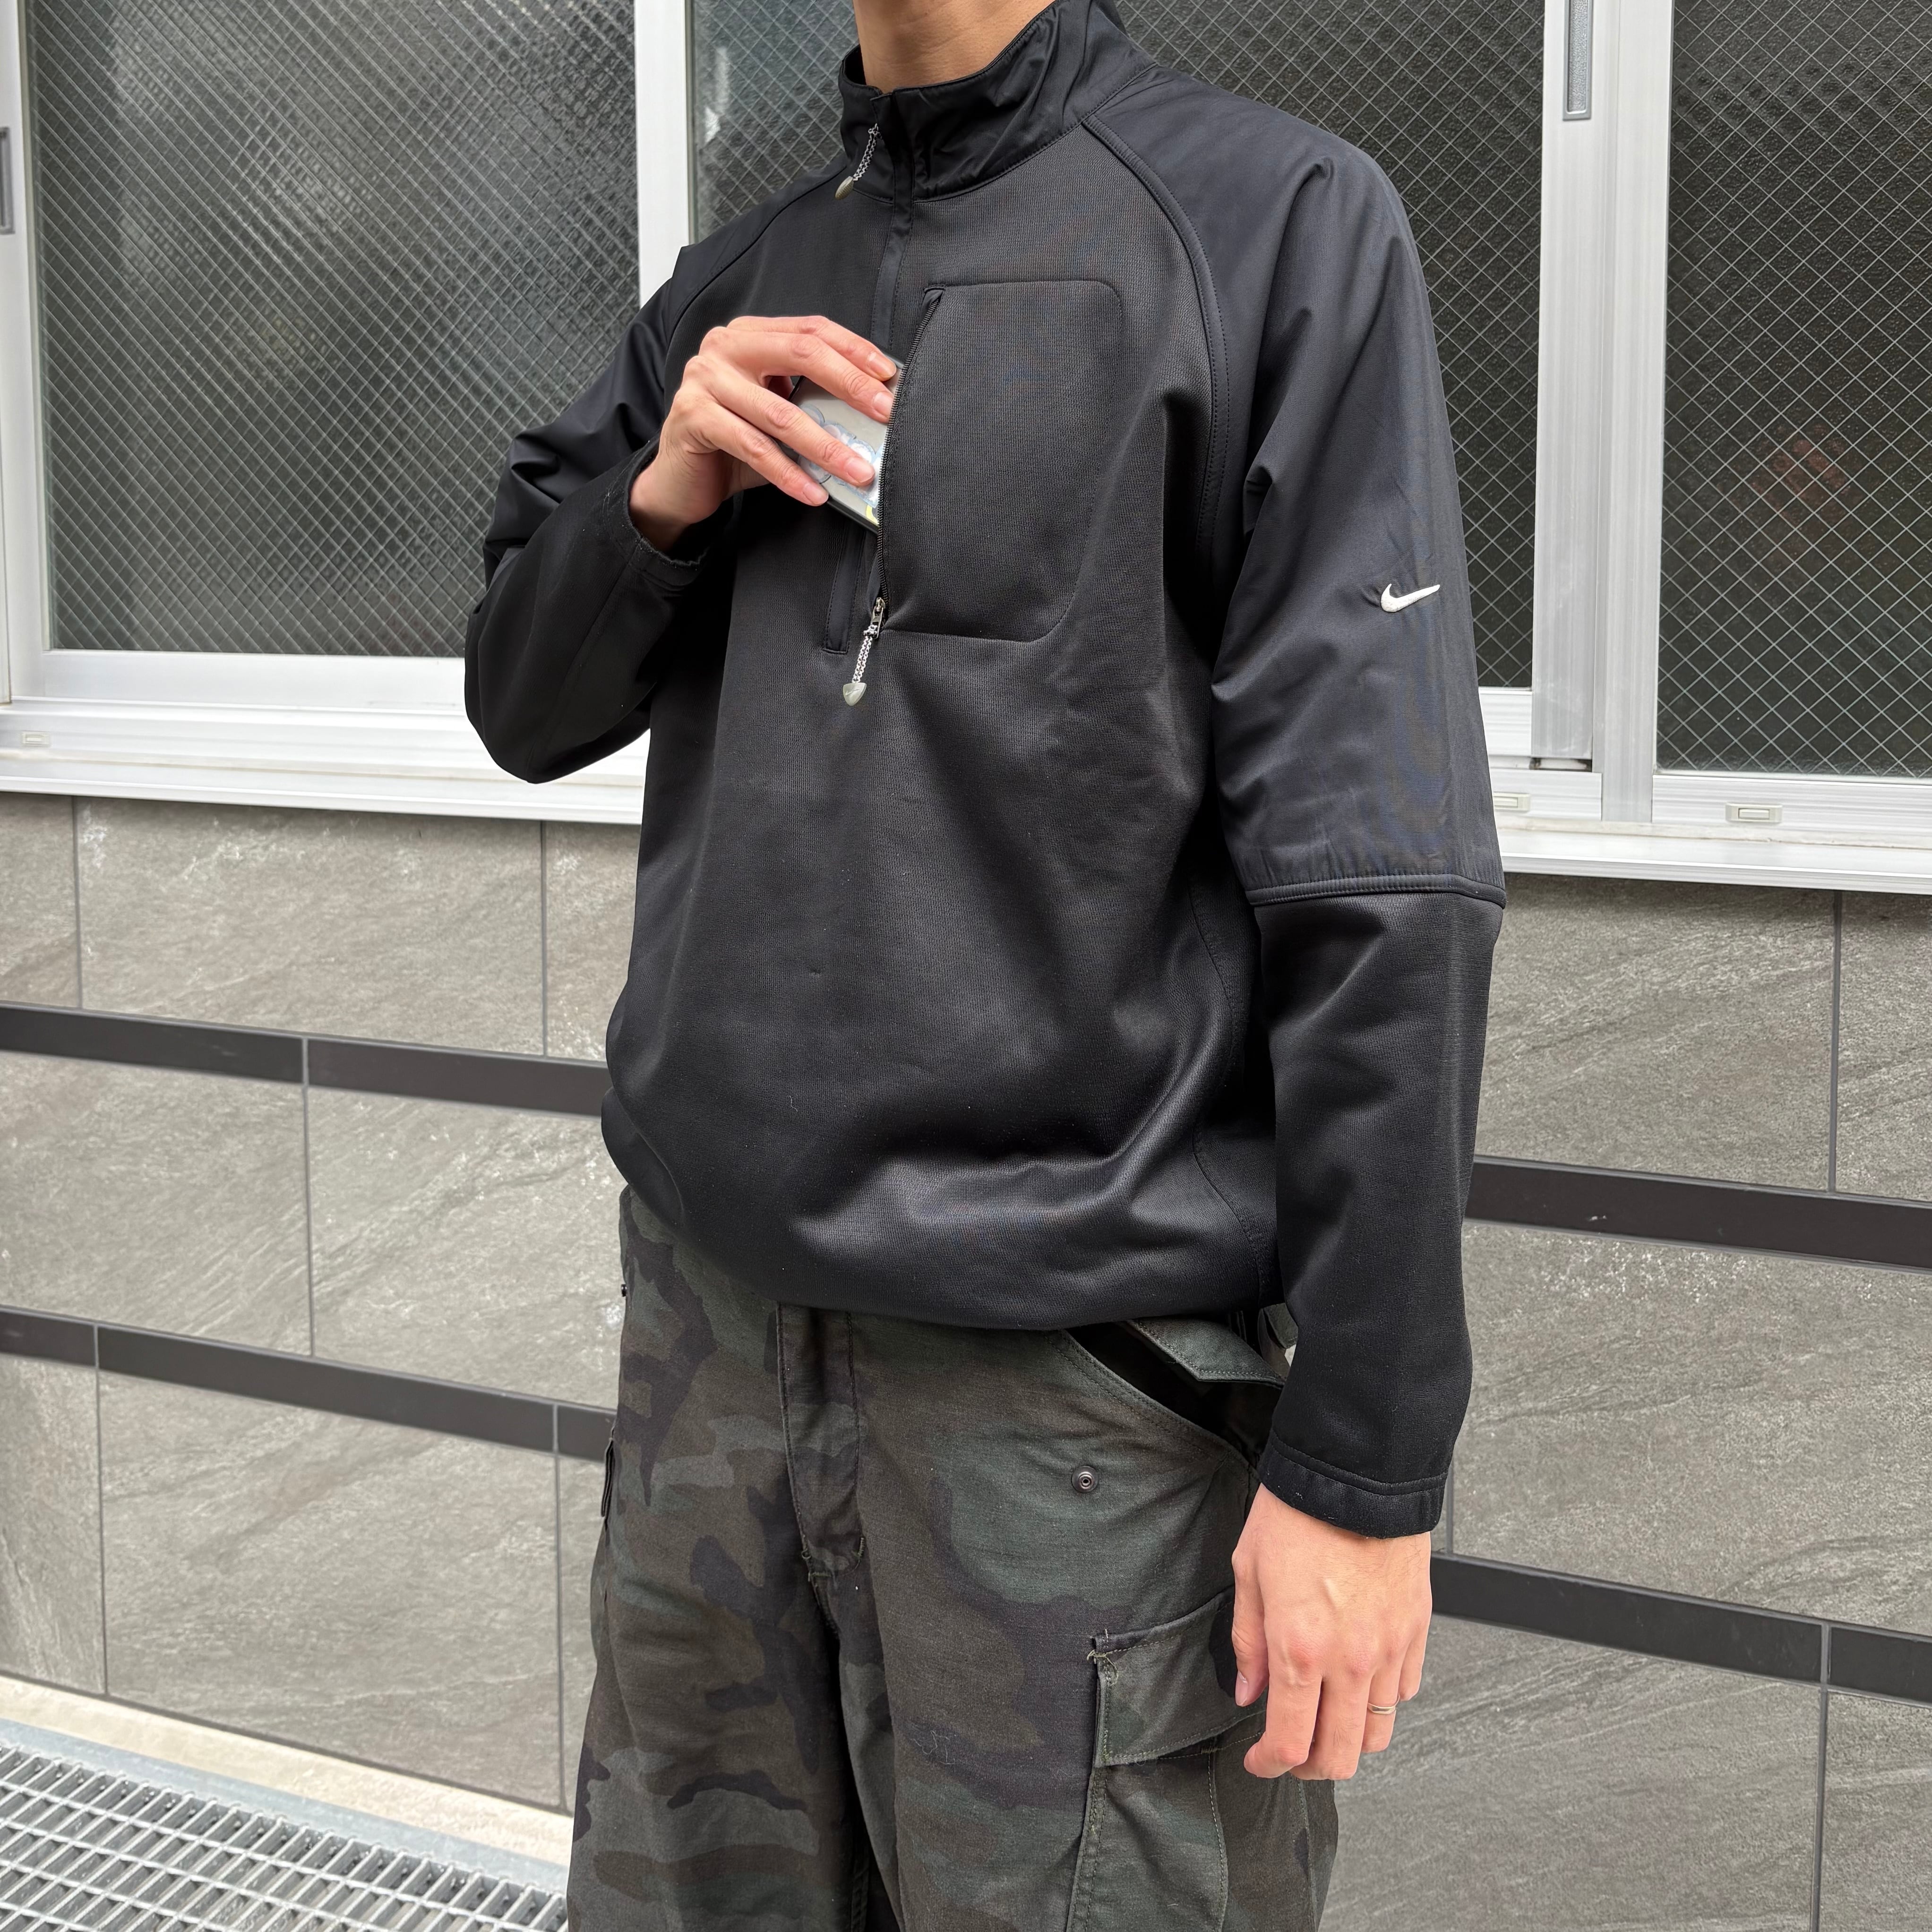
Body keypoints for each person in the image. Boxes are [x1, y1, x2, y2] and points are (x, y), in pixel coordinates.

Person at [466, 0, 1503, 1919]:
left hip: (1068, 1401)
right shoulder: (742, 278)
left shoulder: (1273, 222)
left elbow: (1383, 873)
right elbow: (523, 705)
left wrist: (1364, 1465)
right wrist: (660, 496)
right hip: (710, 1352)